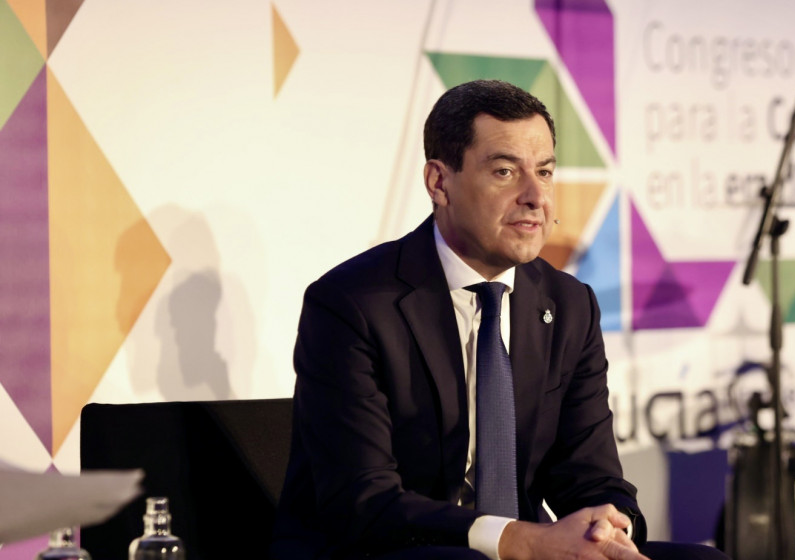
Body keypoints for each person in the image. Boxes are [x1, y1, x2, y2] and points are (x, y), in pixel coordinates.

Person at [273, 80, 729, 560]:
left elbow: (588, 474)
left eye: (546, 172)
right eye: (505, 171)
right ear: (439, 182)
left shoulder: (569, 304)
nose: (535, 196)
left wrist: (609, 524)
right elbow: (363, 504)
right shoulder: (353, 304)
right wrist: (522, 540)